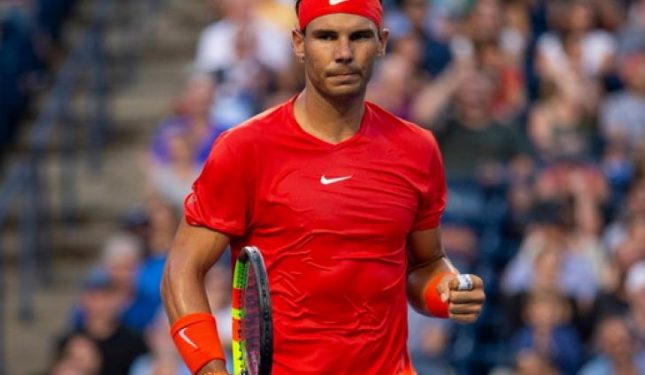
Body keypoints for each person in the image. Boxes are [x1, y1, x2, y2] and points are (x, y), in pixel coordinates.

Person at [160, 1, 486, 374]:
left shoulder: (418, 148)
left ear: (382, 42)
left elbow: (425, 263)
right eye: (326, 37)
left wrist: (446, 291)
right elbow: (182, 269)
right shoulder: (245, 149)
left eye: (359, 36)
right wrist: (208, 368)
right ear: (299, 43)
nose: (343, 53)